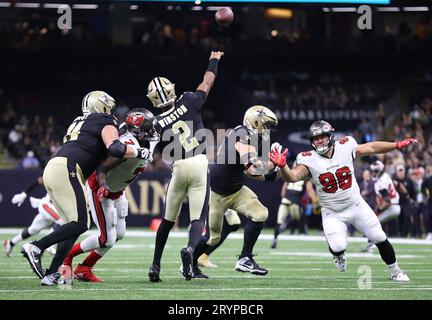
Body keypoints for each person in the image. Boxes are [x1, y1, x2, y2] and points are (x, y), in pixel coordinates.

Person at [21, 91, 152, 285]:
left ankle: (52, 273)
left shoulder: (79, 121)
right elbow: (115, 148)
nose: (113, 114)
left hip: (55, 167)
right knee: (81, 223)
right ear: (102, 107)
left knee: (72, 226)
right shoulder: (105, 120)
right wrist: (139, 151)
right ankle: (37, 247)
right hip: (68, 168)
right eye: (110, 109)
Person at [269, 120, 416, 281]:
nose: (319, 141)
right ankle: (338, 255)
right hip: (332, 212)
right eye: (315, 138)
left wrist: (396, 145)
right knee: (338, 247)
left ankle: (395, 271)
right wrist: (283, 166)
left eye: (322, 137)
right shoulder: (308, 159)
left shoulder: (345, 146)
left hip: (356, 205)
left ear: (331, 136)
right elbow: (292, 177)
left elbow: (372, 147)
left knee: (379, 236)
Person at [147, 51, 224, 282]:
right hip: (199, 163)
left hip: (178, 167)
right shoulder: (189, 100)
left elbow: (152, 154)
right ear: (171, 89)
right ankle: (190, 250)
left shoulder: (156, 123)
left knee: (167, 220)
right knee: (197, 218)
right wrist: (214, 60)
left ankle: (155, 265)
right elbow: (207, 82)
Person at [63, 108, 159, 282]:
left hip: (118, 190)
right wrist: (103, 186)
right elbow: (102, 168)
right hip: (101, 189)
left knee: (119, 234)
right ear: (138, 131)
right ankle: (66, 257)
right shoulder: (127, 145)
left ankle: (84, 269)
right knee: (106, 238)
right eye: (148, 128)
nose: (152, 131)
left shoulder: (150, 137)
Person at [192, 105, 279, 277]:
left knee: (260, 214)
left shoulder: (255, 138)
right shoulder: (241, 132)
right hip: (217, 192)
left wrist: (275, 168)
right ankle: (189, 263)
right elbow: (254, 166)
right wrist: (272, 165)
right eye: (267, 125)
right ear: (255, 122)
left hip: (236, 189)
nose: (268, 130)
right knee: (213, 238)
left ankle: (245, 259)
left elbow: (255, 173)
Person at [4, 177, 62, 257]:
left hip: (55, 209)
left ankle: (10, 243)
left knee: (33, 230)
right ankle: (50, 245)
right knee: (62, 220)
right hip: (47, 205)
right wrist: (24, 194)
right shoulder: (60, 174)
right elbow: (39, 181)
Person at [362, 160, 401, 252]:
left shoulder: (381, 182)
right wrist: (407, 196)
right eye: (372, 171)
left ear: (380, 171)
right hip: (394, 206)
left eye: (375, 171)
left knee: (373, 222)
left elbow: (387, 201)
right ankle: (372, 243)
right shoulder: (386, 177)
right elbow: (398, 184)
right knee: (375, 222)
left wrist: (379, 210)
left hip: (392, 207)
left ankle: (371, 244)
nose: (373, 173)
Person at [271, 178, 315, 249]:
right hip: (295, 202)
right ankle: (290, 224)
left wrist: (285, 197)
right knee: (299, 217)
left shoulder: (289, 177)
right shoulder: (306, 180)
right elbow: (310, 192)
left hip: (285, 200)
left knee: (279, 222)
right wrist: (315, 202)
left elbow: (283, 191)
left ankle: (275, 237)